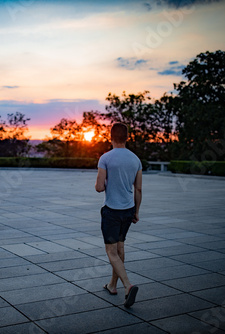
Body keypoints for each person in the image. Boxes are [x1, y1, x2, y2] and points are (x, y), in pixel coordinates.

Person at [95, 123, 142, 308]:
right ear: (127, 137)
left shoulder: (105, 158)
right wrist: (136, 211)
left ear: (111, 137)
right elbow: (138, 188)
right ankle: (112, 285)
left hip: (112, 212)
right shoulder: (135, 159)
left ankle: (128, 286)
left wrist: (107, 182)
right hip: (129, 210)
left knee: (111, 251)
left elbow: (99, 187)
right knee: (120, 248)